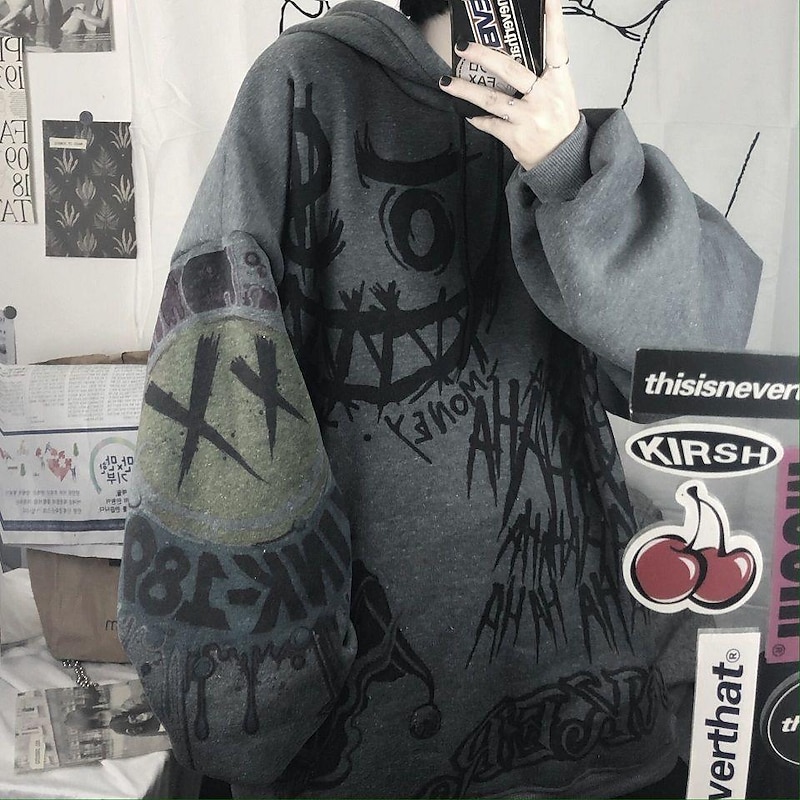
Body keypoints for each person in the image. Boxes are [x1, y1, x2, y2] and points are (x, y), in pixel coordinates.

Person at [117, 0, 762, 797]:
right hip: (377, 735)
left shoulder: (565, 145)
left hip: (589, 716)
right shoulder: (306, 84)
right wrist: (247, 708)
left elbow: (699, 362)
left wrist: (567, 165)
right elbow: (222, 380)